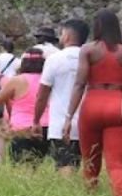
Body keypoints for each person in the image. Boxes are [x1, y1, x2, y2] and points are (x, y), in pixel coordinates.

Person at [63, 9, 122, 196]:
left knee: (89, 160)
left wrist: (68, 117)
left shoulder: (88, 50)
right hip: (118, 104)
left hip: (92, 104)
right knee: (116, 164)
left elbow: (79, 84)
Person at [35, 19, 89, 175]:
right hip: (87, 122)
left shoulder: (54, 59)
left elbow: (42, 94)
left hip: (60, 124)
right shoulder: (90, 58)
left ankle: (69, 194)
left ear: (66, 35)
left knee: (64, 165)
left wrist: (36, 120)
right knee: (86, 165)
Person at [0, 49, 50, 164]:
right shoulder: (47, 80)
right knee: (37, 163)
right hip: (45, 127)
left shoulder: (17, 81)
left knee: (20, 165)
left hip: (22, 129)